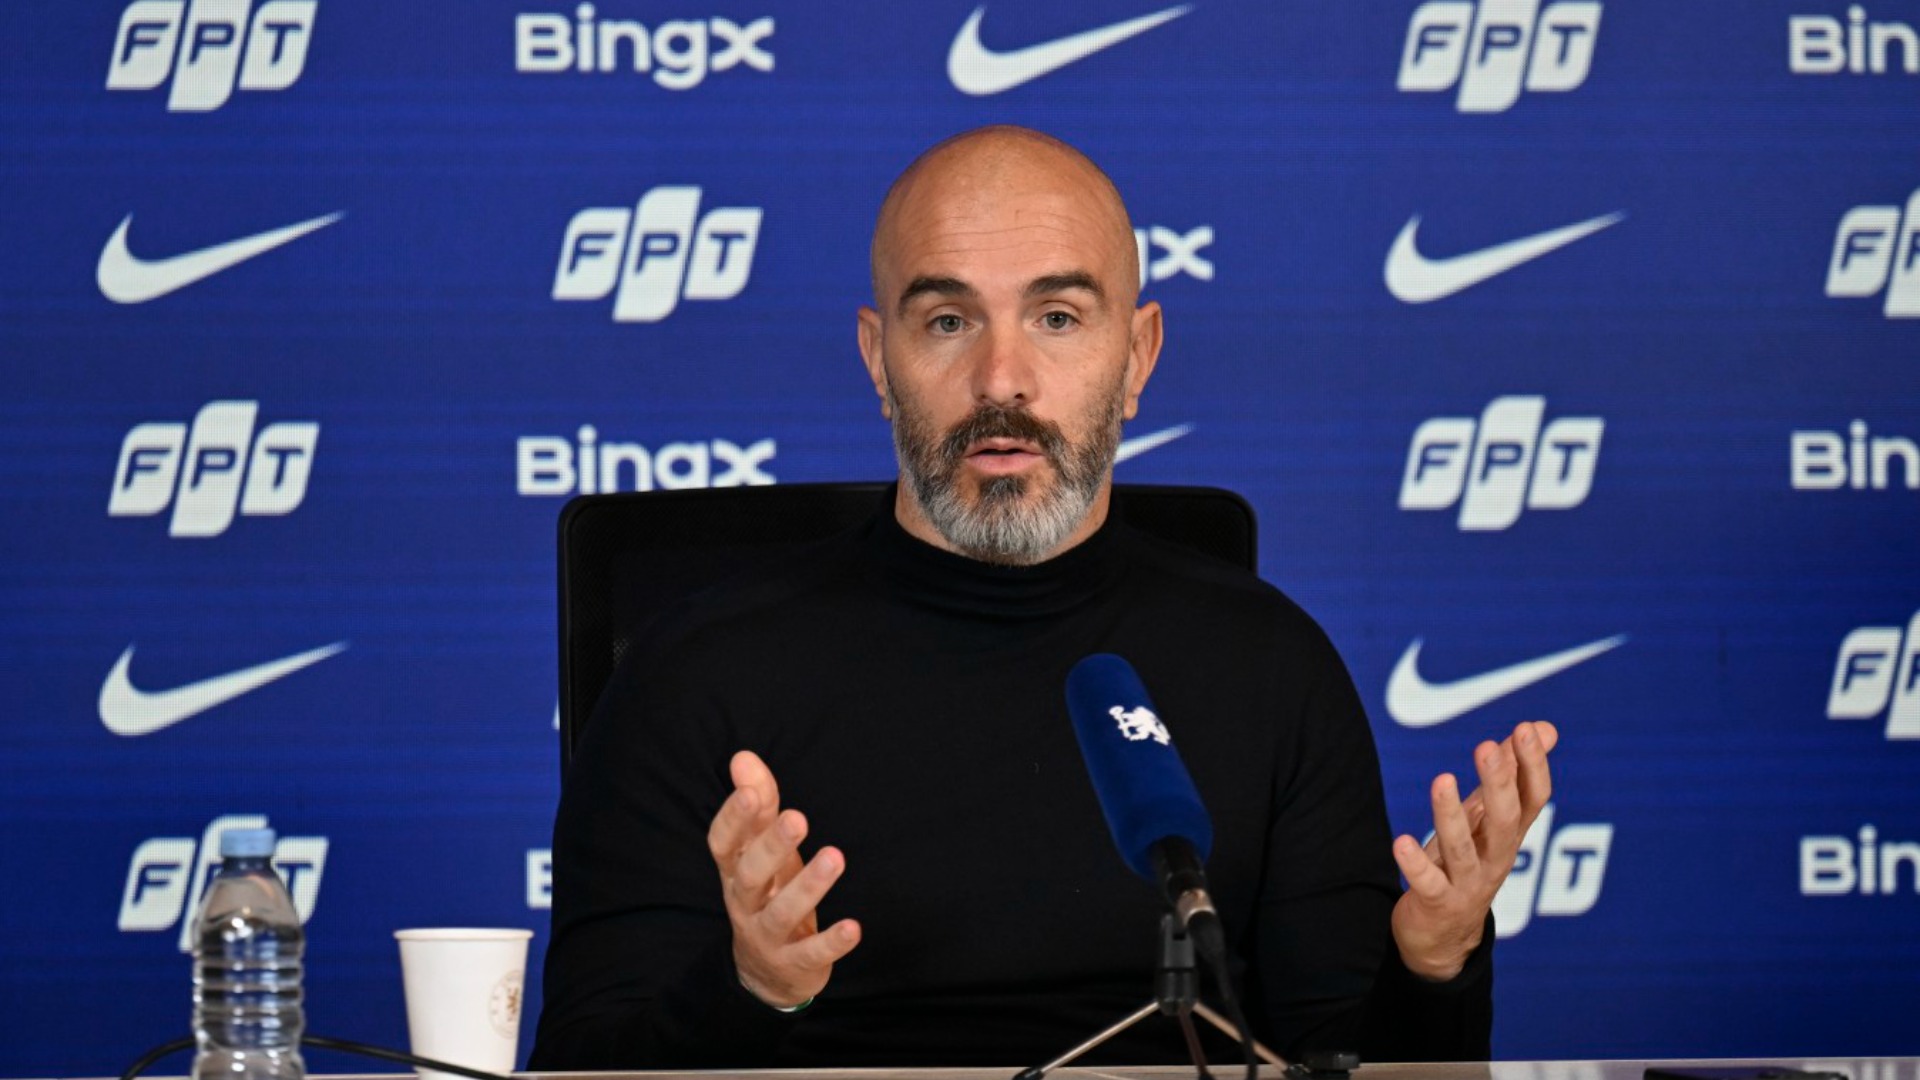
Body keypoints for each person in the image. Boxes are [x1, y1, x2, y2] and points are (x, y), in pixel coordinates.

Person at [528, 126, 1557, 1070]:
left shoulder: (1273, 667)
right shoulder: (698, 672)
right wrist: (753, 990)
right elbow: (582, 1061)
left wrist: (1433, 965)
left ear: (1138, 356)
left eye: (1057, 317)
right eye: (947, 321)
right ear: (879, 360)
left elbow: (1342, 1061)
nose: (1001, 379)